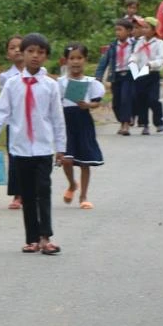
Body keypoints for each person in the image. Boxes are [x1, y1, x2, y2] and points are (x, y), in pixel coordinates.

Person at [0, 33, 66, 255]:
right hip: (20, 148)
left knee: (44, 190)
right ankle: (31, 238)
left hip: (42, 148)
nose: (35, 57)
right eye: (31, 51)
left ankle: (45, 237)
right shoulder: (12, 84)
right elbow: (1, 112)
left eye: (40, 53)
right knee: (28, 194)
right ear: (23, 53)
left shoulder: (50, 85)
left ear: (46, 57)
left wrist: (61, 148)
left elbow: (57, 118)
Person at [57, 44, 104, 209]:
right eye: (72, 58)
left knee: (85, 161)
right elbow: (55, 103)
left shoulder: (91, 82)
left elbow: (97, 103)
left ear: (85, 60)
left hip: (83, 121)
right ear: (65, 61)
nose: (75, 62)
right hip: (66, 122)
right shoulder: (60, 83)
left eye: (79, 58)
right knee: (66, 160)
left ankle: (83, 196)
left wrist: (88, 105)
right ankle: (72, 184)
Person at [95, 18, 135, 135]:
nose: (117, 32)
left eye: (120, 30)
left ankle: (125, 124)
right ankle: (121, 120)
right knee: (116, 102)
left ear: (129, 31)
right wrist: (98, 76)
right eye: (116, 30)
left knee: (125, 99)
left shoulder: (134, 45)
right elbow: (104, 62)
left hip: (129, 74)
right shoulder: (112, 46)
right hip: (116, 76)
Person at [0, 35, 25, 210]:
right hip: (13, 123)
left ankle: (32, 191)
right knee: (15, 158)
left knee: (31, 158)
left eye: (20, 47)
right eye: (12, 47)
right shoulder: (5, 77)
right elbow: (4, 104)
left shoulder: (40, 73)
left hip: (32, 123)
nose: (16, 50)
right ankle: (17, 194)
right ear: (7, 54)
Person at [129, 17, 163, 134]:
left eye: (147, 27)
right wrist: (132, 61)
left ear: (154, 29)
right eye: (143, 27)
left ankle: (158, 121)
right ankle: (144, 124)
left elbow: (161, 59)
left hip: (152, 73)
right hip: (141, 73)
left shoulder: (159, 43)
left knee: (153, 99)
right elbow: (135, 54)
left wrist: (152, 64)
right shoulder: (139, 42)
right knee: (141, 99)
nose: (144, 30)